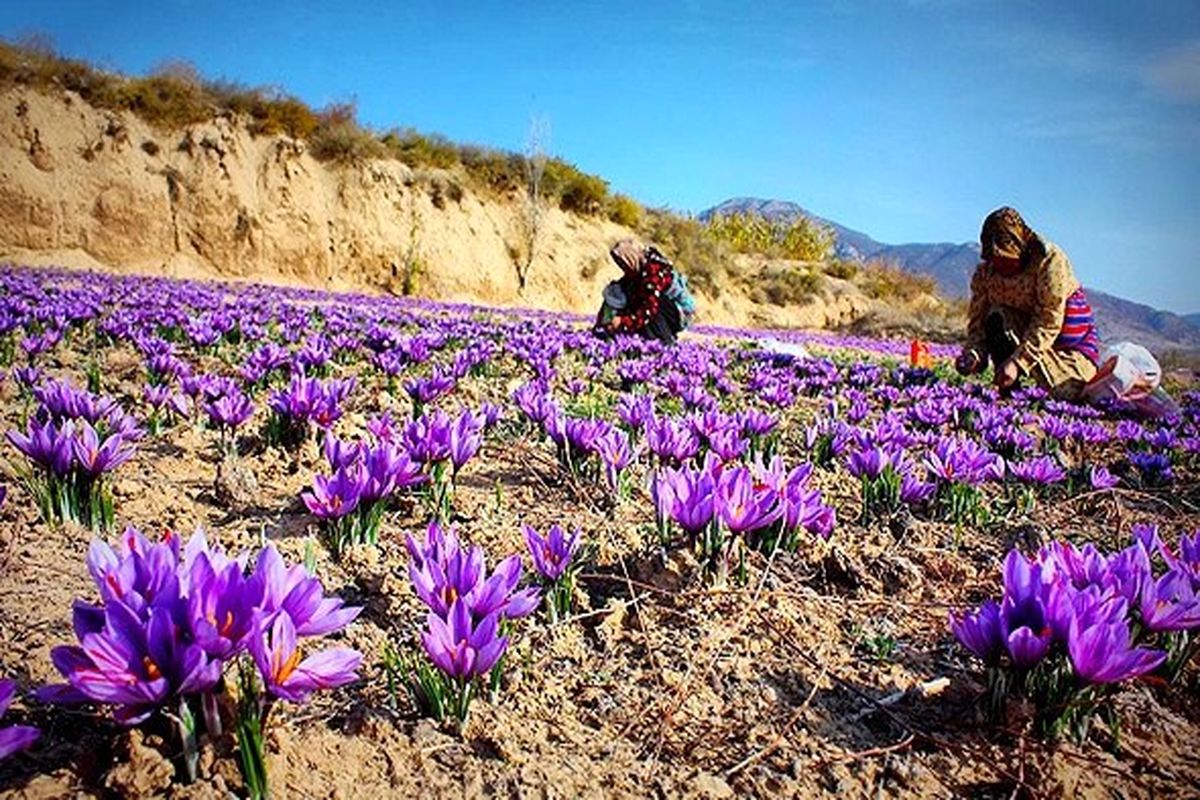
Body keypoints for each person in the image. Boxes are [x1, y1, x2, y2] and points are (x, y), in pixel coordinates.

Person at [955, 207, 1100, 400]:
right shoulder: (986, 273)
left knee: (1073, 393)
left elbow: (1048, 321)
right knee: (997, 314)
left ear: (1020, 247)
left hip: (1067, 353)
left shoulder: (1048, 262)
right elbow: (978, 323)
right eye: (993, 259)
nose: (998, 266)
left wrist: (1018, 363)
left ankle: (1018, 382)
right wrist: (973, 355)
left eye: (1005, 259)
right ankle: (1010, 389)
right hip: (1022, 338)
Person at [593, 239, 682, 344]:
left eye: (622, 262)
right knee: (621, 291)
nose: (621, 266)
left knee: (651, 303)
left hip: (672, 314)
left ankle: (663, 341)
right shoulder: (633, 274)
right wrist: (603, 322)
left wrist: (623, 322)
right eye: (618, 263)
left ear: (631, 257)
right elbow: (611, 300)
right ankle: (630, 339)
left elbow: (649, 309)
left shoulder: (654, 271)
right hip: (649, 311)